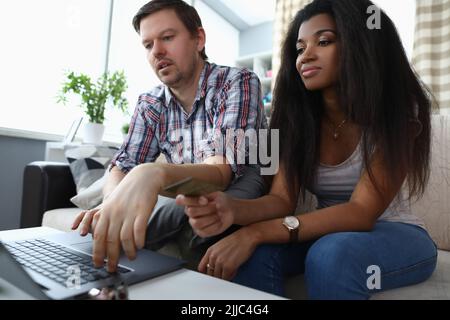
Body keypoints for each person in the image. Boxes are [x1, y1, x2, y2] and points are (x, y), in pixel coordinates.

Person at [177, 0, 438, 299]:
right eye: (300, 48)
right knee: (253, 254)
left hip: (396, 232)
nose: (305, 57)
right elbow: (281, 199)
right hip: (327, 233)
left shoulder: (400, 112)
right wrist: (230, 208)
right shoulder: (294, 121)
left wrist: (257, 231)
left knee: (330, 254)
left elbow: (361, 213)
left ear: (361, 44)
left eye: (324, 41)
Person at [71, 0, 268, 272]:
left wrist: (154, 174)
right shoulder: (150, 102)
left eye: (167, 37)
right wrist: (113, 205)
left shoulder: (238, 82)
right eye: (148, 44)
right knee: (114, 221)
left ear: (198, 39)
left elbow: (222, 171)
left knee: (194, 215)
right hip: (185, 188)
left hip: (242, 178)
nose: (157, 52)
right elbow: (122, 165)